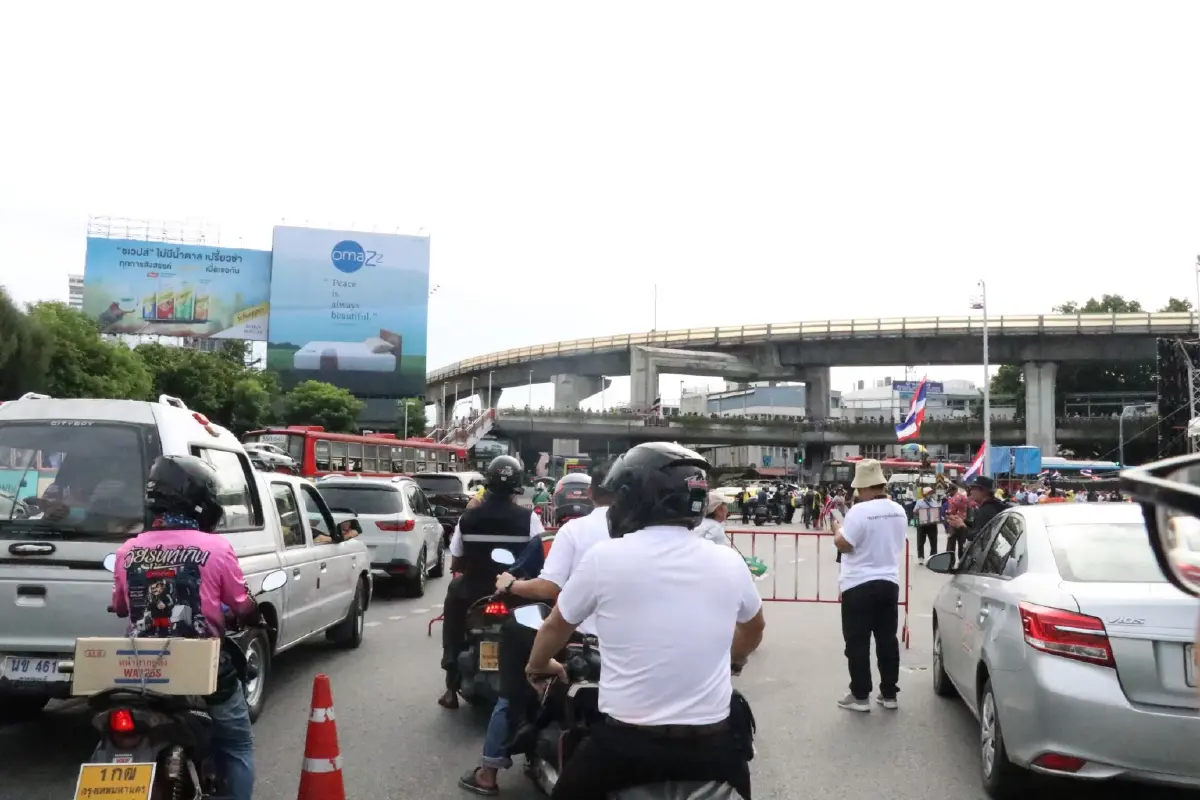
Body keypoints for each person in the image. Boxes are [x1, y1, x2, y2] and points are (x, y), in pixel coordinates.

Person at [524, 442, 765, 799]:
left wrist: (539, 664)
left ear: (636, 498)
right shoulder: (728, 561)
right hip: (713, 749)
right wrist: (734, 659)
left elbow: (557, 625)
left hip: (626, 747)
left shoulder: (605, 557)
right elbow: (754, 628)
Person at [457, 460, 614, 796]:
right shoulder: (644, 534)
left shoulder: (571, 532)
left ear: (588, 494)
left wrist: (511, 586)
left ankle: (488, 772)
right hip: (625, 646)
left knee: (511, 690)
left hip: (571, 636)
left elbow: (548, 588)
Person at [109, 455, 257, 800]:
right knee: (236, 743)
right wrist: (249, 613)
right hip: (204, 668)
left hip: (139, 669)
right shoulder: (217, 548)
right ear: (199, 501)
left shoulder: (127, 550)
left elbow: (120, 606)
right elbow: (241, 604)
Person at [439, 455, 542, 710]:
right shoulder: (529, 519)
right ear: (517, 487)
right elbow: (540, 556)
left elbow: (457, 559)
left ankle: (451, 686)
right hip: (516, 594)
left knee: (453, 603)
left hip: (473, 593)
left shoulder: (468, 517)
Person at [829, 459, 907, 712]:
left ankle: (860, 695)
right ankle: (889, 693)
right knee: (887, 640)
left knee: (857, 642)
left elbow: (846, 544)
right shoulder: (898, 509)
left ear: (862, 488)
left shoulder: (859, 511)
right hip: (888, 581)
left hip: (858, 583)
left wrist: (837, 530)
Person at [946, 475, 1010, 553]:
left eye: (973, 488)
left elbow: (977, 538)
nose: (971, 491)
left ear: (984, 491)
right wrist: (964, 522)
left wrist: (961, 526)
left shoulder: (987, 511)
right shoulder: (991, 506)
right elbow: (979, 527)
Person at [912, 486, 940, 565]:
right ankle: (921, 557)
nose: (930, 495)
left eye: (931, 493)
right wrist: (918, 511)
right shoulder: (919, 502)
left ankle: (933, 556)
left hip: (932, 525)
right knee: (920, 541)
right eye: (928, 493)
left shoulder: (934, 502)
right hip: (922, 525)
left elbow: (937, 511)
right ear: (924, 495)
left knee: (933, 541)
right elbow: (914, 511)